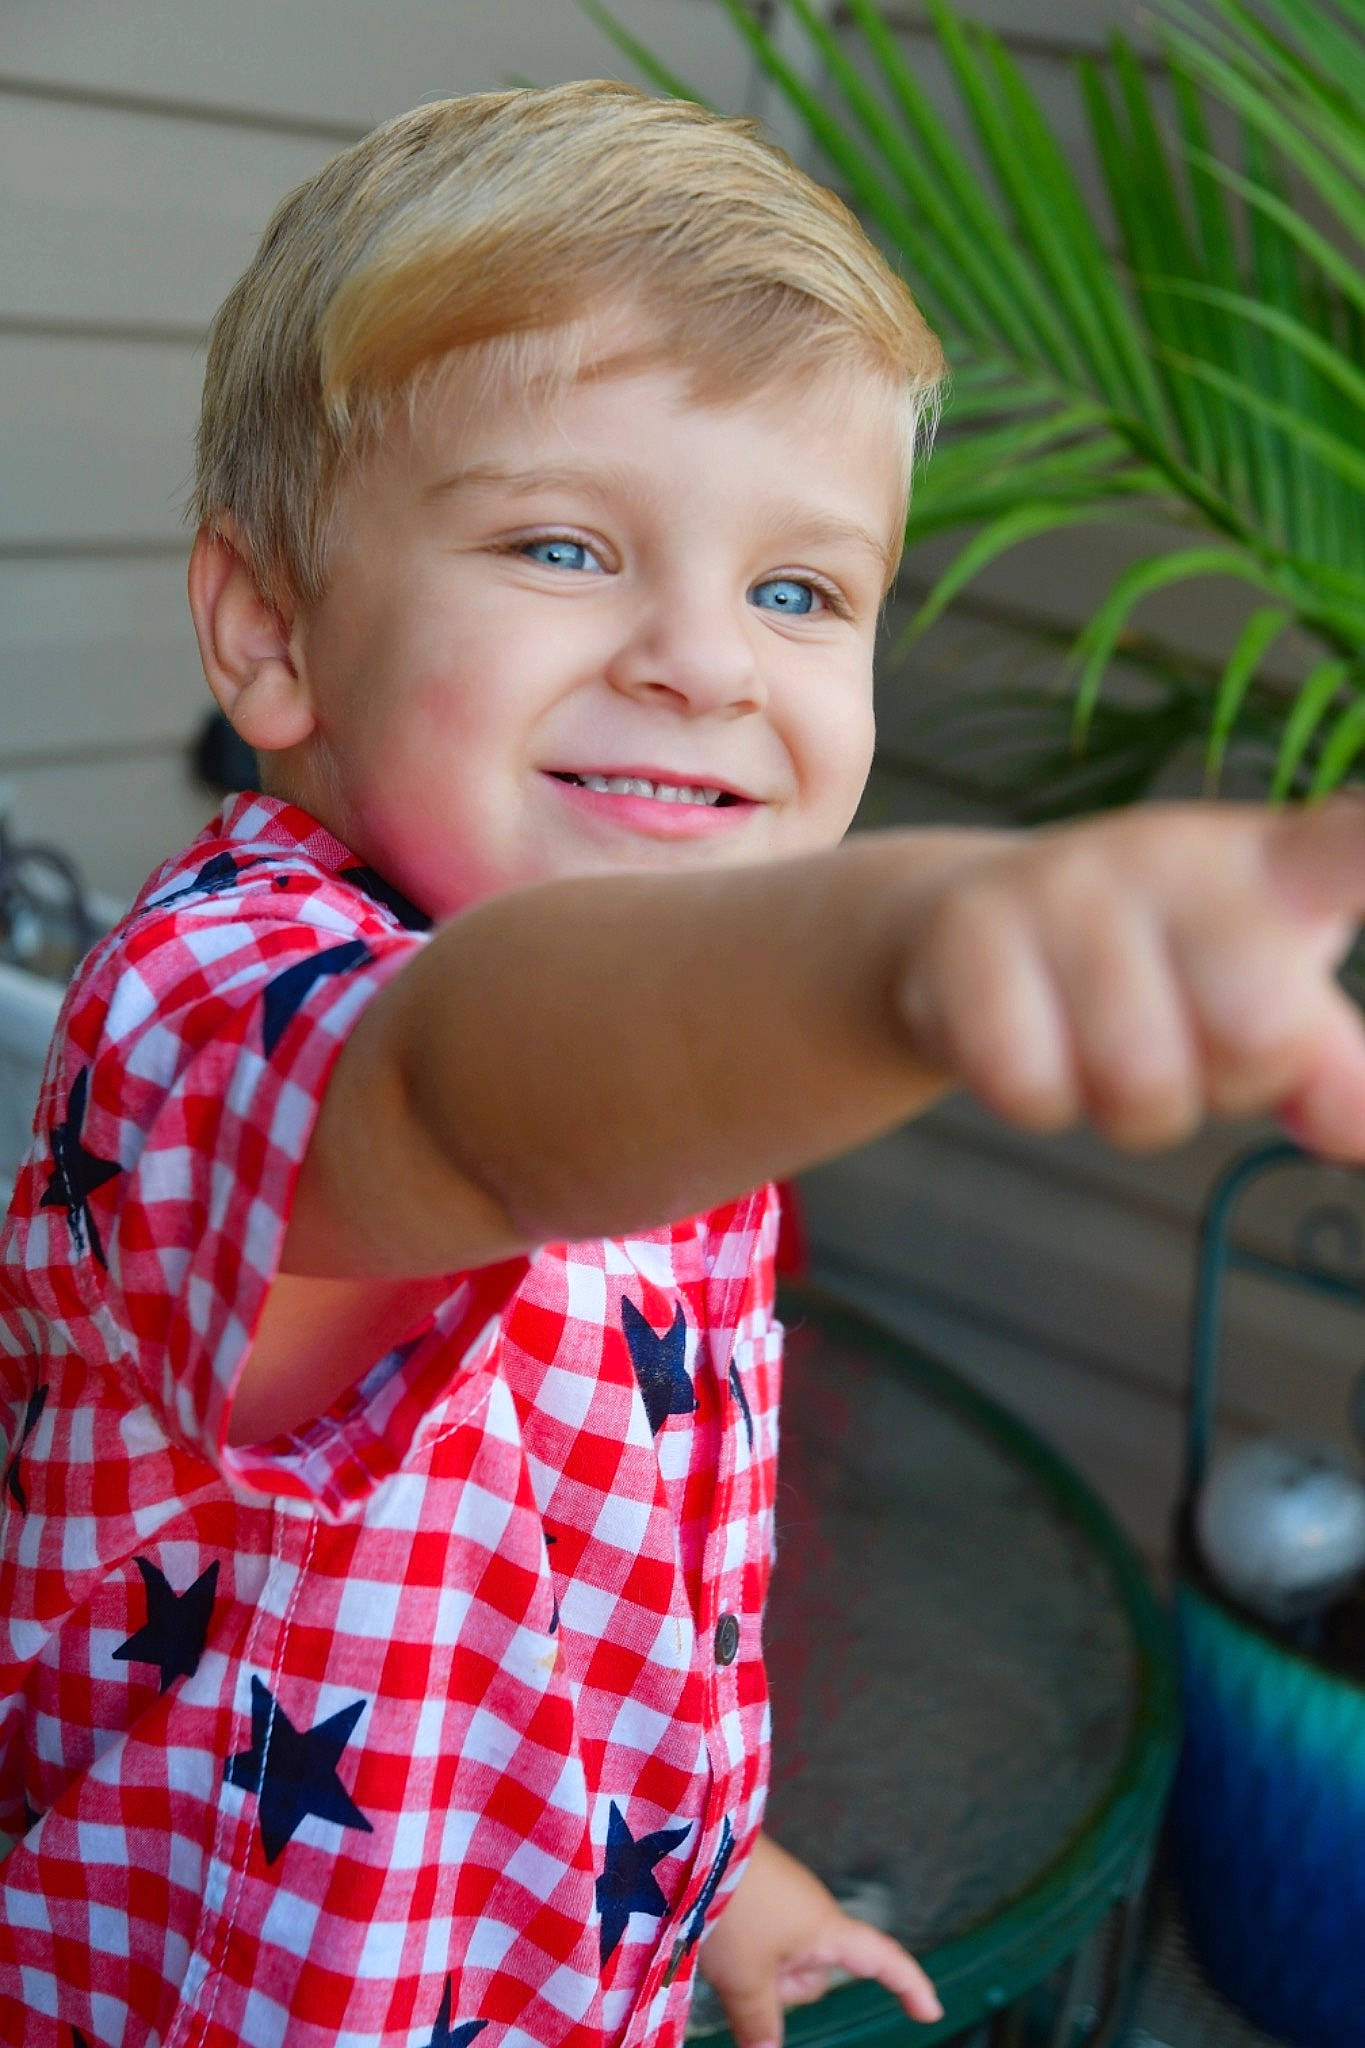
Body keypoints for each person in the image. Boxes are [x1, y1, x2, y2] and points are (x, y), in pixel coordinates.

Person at [3, 78, 1365, 2048]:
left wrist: (707, 1865)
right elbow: (471, 1090)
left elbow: (560, 1579)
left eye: (798, 590)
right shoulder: (227, 1010)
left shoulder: (695, 1081)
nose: (707, 662)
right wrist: (921, 947)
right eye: (565, 546)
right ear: (273, 628)